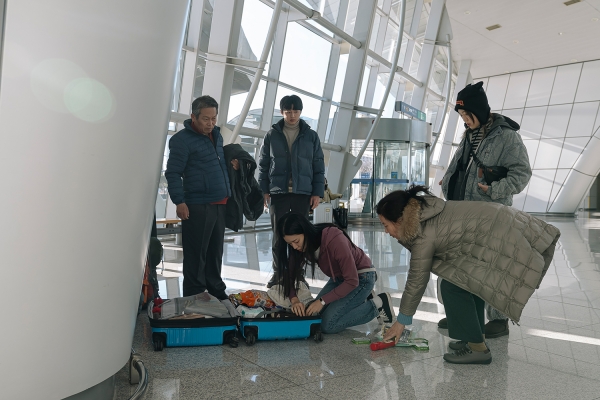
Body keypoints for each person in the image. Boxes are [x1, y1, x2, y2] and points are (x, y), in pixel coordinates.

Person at [378, 186, 560, 364]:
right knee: (470, 281)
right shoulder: (424, 213)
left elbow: (417, 279)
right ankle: (475, 337)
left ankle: (477, 348)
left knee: (453, 286)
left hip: (500, 236)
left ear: (400, 220)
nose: (386, 232)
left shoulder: (423, 233)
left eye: (386, 225)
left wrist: (401, 322)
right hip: (497, 225)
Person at [438, 81, 532, 338]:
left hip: (490, 214)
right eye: (461, 116)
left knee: (492, 268)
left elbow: (522, 174)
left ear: (480, 111)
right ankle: (464, 314)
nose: (465, 120)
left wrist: (493, 191)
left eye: (468, 115)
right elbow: (460, 166)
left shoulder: (506, 136)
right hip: (462, 212)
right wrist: (447, 181)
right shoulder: (468, 135)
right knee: (462, 266)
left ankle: (499, 321)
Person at [165, 95, 239, 298]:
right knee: (196, 256)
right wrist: (179, 201)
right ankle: (194, 295)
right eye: (206, 119)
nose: (211, 123)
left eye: (214, 118)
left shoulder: (217, 135)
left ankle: (216, 291)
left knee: (215, 254)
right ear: (194, 117)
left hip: (219, 204)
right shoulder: (181, 141)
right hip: (197, 205)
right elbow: (172, 172)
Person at [276, 212, 395, 333]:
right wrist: (294, 301)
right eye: (290, 244)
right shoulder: (300, 246)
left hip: (361, 277)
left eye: (296, 241)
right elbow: (290, 276)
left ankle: (379, 304)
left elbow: (352, 280)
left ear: (305, 231)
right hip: (339, 279)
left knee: (328, 324)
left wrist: (322, 301)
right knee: (315, 315)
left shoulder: (334, 239)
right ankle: (362, 298)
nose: (295, 247)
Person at [258, 95, 325, 288]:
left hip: (302, 193)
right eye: (288, 112)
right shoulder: (272, 135)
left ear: (301, 112)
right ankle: (278, 273)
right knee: (278, 235)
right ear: (282, 112)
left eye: (295, 111)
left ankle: (298, 273)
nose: (292, 115)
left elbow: (318, 167)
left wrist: (316, 193)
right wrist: (264, 190)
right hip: (278, 192)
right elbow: (263, 165)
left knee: (300, 235)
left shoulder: (311, 136)